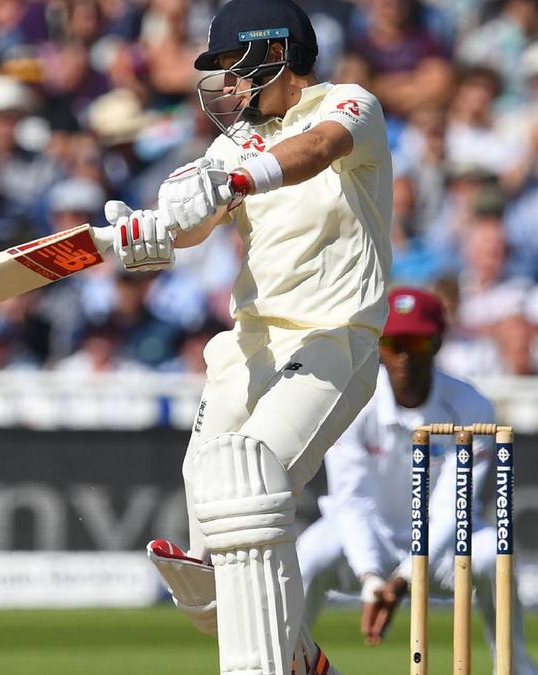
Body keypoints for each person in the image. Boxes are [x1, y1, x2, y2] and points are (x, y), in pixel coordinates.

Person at [117, 0, 394, 672]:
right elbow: (190, 227)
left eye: (232, 70)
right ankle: (302, 660)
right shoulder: (231, 143)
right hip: (248, 348)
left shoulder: (351, 104)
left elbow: (316, 150)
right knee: (209, 537)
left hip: (335, 338)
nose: (228, 89)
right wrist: (150, 230)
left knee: (251, 483)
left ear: (273, 55)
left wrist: (234, 177)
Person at [297, 287, 538, 674]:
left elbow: (452, 508)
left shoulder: (470, 406)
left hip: (445, 549)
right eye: (394, 342)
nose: (405, 356)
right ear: (379, 345)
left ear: (438, 342)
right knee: (308, 554)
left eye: (418, 342)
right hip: (367, 540)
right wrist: (372, 576)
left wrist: (409, 576)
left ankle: (516, 668)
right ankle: (285, 665)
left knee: (495, 553)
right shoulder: (352, 401)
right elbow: (351, 499)